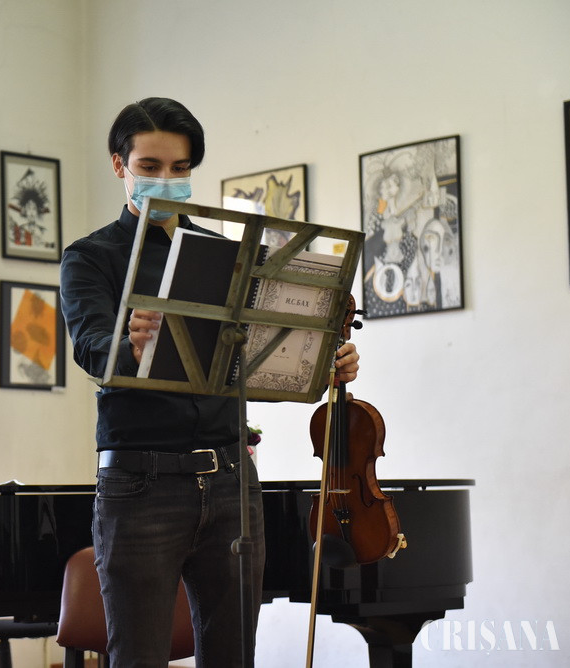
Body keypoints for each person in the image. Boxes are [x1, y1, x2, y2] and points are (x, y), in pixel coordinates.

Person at [59, 97, 359, 667]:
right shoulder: (91, 257)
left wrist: (326, 362)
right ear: (119, 165)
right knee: (138, 656)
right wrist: (129, 345)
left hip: (231, 480)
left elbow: (262, 355)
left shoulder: (228, 254)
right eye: (150, 167)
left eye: (180, 168)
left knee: (233, 657)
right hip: (140, 483)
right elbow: (89, 347)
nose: (167, 179)